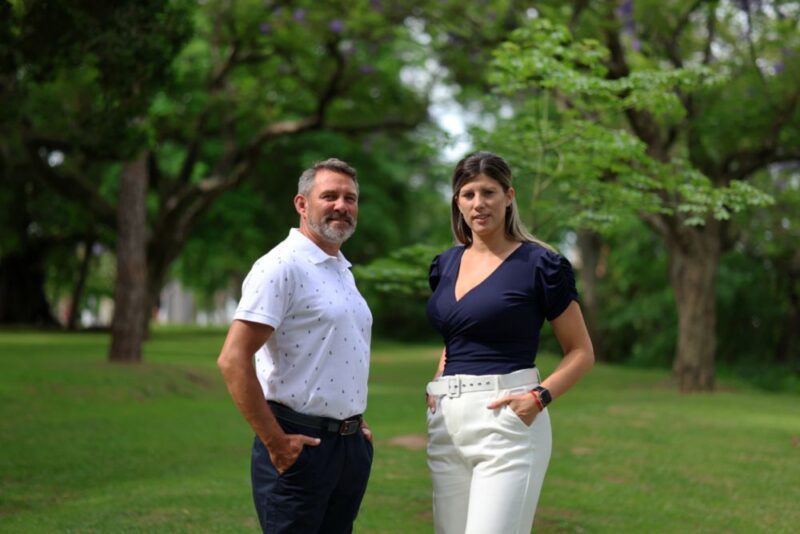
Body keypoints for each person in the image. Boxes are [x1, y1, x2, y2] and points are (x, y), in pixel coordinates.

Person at [424, 151, 595, 533]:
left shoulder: (540, 264)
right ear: (457, 202)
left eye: (488, 192)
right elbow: (458, 332)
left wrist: (539, 397)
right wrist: (439, 378)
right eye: (468, 194)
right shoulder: (445, 265)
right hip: (446, 424)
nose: (478, 203)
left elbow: (582, 352)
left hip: (508, 420)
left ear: (509, 196)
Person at [217, 158, 374, 534]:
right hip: (298, 444)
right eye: (330, 196)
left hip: (348, 448)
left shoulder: (341, 270)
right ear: (302, 204)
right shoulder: (281, 266)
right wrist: (276, 443)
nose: (341, 206)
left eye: (350, 198)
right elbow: (233, 360)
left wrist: (352, 421)